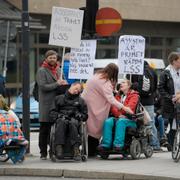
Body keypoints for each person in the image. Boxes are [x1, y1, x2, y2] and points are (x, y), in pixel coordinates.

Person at [81, 63, 133, 157]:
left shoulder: (97, 75)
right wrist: (124, 107)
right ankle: (93, 150)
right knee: (96, 127)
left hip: (87, 103)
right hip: (95, 106)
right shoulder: (105, 82)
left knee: (90, 128)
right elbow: (111, 99)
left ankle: (91, 149)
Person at [36, 50, 67, 160]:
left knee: (55, 128)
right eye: (50, 58)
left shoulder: (59, 69)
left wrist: (64, 83)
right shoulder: (42, 71)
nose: (52, 59)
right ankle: (43, 152)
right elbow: (43, 86)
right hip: (46, 104)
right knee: (45, 129)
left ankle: (52, 150)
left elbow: (63, 82)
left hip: (57, 103)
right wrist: (57, 84)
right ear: (46, 59)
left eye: (54, 57)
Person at [49, 82, 88, 161]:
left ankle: (76, 149)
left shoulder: (81, 101)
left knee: (72, 123)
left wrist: (79, 115)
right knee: (61, 122)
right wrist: (59, 115)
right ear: (71, 86)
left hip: (74, 119)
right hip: (61, 118)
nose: (77, 91)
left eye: (79, 90)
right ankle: (59, 147)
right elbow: (52, 112)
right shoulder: (58, 98)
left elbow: (85, 115)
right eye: (76, 88)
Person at [127, 61, 161, 151]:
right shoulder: (152, 71)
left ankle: (142, 144)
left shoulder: (134, 70)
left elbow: (130, 84)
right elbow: (155, 87)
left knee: (137, 121)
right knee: (150, 122)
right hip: (149, 100)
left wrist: (133, 86)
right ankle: (154, 144)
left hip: (136, 99)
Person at [98, 79, 139, 151]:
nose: (121, 84)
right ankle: (106, 144)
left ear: (129, 86)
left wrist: (120, 109)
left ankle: (118, 144)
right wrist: (119, 114)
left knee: (121, 122)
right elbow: (113, 107)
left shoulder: (134, 95)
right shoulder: (118, 95)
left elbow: (130, 108)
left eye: (123, 82)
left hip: (130, 120)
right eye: (120, 83)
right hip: (119, 117)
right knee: (108, 121)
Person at [158, 52, 180, 147]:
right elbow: (160, 88)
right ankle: (173, 146)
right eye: (179, 61)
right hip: (171, 103)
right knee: (173, 125)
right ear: (174, 61)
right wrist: (170, 97)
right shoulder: (165, 73)